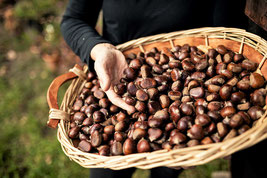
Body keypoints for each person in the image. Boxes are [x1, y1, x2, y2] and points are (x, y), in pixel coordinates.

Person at [60, 1, 266, 178]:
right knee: (107, 169)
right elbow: (72, 19)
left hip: (186, 68)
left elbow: (226, 29)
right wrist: (97, 48)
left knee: (167, 170)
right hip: (114, 79)